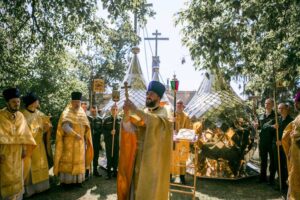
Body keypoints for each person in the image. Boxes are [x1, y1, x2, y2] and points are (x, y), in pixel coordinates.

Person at [117, 81, 172, 200]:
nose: (148, 95)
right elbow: (130, 129)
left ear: (158, 96)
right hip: (138, 157)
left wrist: (135, 110)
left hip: (154, 161)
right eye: (147, 93)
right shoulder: (144, 111)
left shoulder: (164, 112)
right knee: (136, 187)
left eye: (151, 93)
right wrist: (126, 115)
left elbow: (154, 122)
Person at [0, 88, 36, 199]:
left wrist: (24, 149)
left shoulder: (20, 116)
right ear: (8, 103)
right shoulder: (0, 116)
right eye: (14, 102)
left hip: (18, 152)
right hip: (4, 152)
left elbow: (24, 134)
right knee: (5, 176)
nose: (17, 104)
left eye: (18, 101)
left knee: (17, 175)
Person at [54, 92, 93, 185]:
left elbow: (86, 125)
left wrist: (86, 135)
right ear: (71, 102)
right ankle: (67, 181)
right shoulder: (67, 112)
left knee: (79, 161)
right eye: (75, 102)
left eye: (79, 102)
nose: (77, 104)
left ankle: (78, 180)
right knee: (69, 161)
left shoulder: (82, 112)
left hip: (80, 143)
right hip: (69, 142)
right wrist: (75, 134)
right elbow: (65, 127)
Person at [21, 92, 52, 196]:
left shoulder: (39, 113)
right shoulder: (22, 115)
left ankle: (42, 187)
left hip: (40, 145)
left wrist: (47, 127)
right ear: (32, 103)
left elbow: (44, 128)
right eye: (37, 100)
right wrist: (38, 130)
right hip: (29, 146)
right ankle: (31, 190)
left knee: (41, 164)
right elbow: (22, 133)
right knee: (30, 166)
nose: (38, 102)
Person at [282, 91, 300, 200]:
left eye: (296, 102)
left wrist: (297, 135)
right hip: (295, 157)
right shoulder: (298, 117)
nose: (295, 104)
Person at [271, 103, 293, 192]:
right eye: (279, 109)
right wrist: (272, 126)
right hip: (276, 146)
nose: (280, 110)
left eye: (282, 108)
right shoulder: (277, 120)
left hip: (286, 147)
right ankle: (281, 182)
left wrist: (282, 142)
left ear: (286, 109)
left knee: (285, 165)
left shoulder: (291, 120)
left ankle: (287, 184)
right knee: (278, 164)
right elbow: (265, 127)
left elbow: (291, 135)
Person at [255, 98, 276, 184]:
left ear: (272, 105)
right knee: (263, 160)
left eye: (269, 103)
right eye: (266, 103)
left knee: (272, 161)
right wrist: (257, 126)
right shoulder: (261, 116)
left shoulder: (276, 116)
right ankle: (262, 177)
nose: (267, 105)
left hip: (272, 141)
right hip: (262, 141)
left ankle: (271, 179)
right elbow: (260, 127)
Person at [171, 99, 192, 184]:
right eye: (178, 103)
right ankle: (170, 176)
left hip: (183, 142)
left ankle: (182, 177)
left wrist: (181, 135)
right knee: (171, 159)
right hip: (172, 142)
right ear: (176, 105)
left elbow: (188, 129)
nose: (179, 105)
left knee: (182, 160)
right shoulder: (172, 115)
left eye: (181, 103)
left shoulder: (186, 116)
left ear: (183, 106)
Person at [103, 105, 121, 180]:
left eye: (116, 109)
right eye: (113, 109)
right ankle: (108, 173)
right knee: (109, 157)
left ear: (118, 110)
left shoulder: (120, 120)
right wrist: (109, 132)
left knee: (116, 157)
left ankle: (115, 172)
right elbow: (103, 130)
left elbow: (123, 131)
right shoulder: (107, 120)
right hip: (109, 141)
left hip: (117, 141)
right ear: (111, 110)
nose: (114, 111)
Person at [87, 105, 103, 177]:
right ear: (90, 111)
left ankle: (95, 171)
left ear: (97, 110)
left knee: (96, 156)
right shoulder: (87, 118)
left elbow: (102, 129)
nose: (94, 112)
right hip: (88, 140)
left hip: (96, 140)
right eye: (92, 111)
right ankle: (87, 172)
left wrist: (97, 131)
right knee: (88, 155)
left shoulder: (100, 119)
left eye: (95, 111)